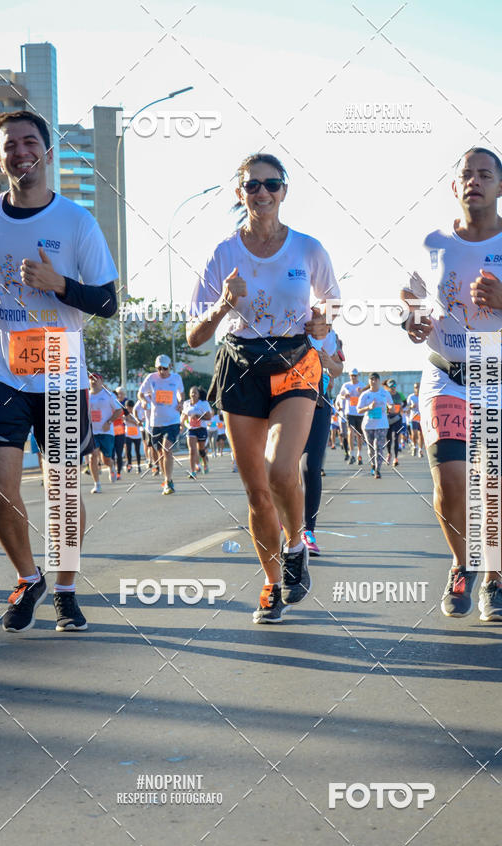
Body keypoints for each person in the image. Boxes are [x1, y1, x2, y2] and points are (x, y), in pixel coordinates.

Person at [401, 146, 502, 621]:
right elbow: (411, 296)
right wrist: (411, 319)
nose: (474, 181)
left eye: (485, 174)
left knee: (499, 492)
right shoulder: (433, 242)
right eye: (466, 174)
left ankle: (493, 580)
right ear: (455, 186)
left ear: (501, 187)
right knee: (451, 481)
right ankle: (461, 564)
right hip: (447, 377)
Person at [0, 110, 118, 632]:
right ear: (0, 156)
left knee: (62, 492)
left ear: (47, 151)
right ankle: (27, 576)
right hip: (1, 371)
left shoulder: (76, 221)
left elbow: (108, 302)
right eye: (10, 145)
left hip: (59, 371)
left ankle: (65, 590)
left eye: (29, 142)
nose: (21, 152)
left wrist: (60, 285)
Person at [187, 152, 338, 623]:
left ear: (284, 191)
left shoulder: (308, 249)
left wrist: (322, 321)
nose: (263, 192)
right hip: (240, 364)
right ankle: (272, 584)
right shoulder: (223, 253)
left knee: (281, 469)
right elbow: (194, 334)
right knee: (257, 491)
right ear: (241, 193)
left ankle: (296, 545)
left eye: (272, 184)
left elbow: (331, 304)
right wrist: (222, 305)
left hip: (295, 361)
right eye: (252, 185)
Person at [300, 330, 343, 555]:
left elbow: (338, 368)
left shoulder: (328, 333)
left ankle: (308, 530)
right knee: (281, 466)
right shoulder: (282, 321)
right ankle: (281, 514)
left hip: (318, 401)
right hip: (284, 399)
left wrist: (328, 362)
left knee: (310, 466)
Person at [138, 354, 184, 495]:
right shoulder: (151, 378)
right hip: (155, 422)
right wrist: (143, 401)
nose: (162, 371)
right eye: (159, 368)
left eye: (164, 368)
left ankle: (168, 481)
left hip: (172, 420)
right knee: (160, 454)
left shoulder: (176, 378)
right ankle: (167, 479)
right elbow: (141, 393)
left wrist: (181, 402)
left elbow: (181, 393)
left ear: (170, 367)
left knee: (166, 449)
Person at [88, 372, 120, 492]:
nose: (93, 381)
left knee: (106, 459)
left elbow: (118, 410)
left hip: (106, 432)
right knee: (93, 456)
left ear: (101, 382)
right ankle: (97, 484)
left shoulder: (108, 395)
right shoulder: (86, 396)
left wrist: (109, 422)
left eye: (96, 379)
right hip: (92, 432)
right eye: (91, 379)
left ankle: (111, 466)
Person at [357, 373, 393, 478]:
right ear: (369, 381)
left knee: (378, 447)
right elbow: (359, 410)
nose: (374, 381)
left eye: (376, 379)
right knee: (371, 449)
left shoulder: (385, 393)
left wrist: (390, 407)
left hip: (382, 424)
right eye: (371, 379)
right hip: (368, 425)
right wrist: (368, 407)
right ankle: (373, 464)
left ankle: (377, 469)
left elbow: (391, 405)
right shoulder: (365, 394)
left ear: (379, 381)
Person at [181, 386, 212, 477]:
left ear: (199, 395)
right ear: (189, 394)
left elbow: (209, 417)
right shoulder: (186, 403)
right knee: (192, 450)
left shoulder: (203, 403)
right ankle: (193, 471)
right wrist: (181, 424)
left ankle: (205, 463)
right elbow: (183, 415)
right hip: (191, 429)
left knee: (201, 450)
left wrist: (198, 416)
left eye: (195, 393)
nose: (193, 394)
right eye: (192, 392)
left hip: (201, 429)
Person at [339, 368, 365, 464]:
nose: (353, 377)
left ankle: (359, 454)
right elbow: (340, 396)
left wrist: (361, 393)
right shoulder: (346, 385)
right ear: (349, 376)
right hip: (349, 412)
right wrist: (344, 396)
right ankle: (352, 454)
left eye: (355, 375)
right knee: (350, 432)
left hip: (360, 413)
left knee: (359, 434)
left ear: (358, 376)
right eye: (352, 375)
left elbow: (366, 397)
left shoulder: (362, 385)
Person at [384, 378, 407, 467]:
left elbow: (405, 402)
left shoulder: (399, 394)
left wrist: (402, 407)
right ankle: (389, 454)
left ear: (396, 386)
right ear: (388, 387)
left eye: (394, 386)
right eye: (391, 387)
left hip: (397, 418)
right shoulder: (386, 394)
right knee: (388, 438)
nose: (393, 388)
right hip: (388, 418)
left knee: (396, 438)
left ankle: (396, 458)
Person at [112, 385, 129, 479]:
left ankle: (118, 472)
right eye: (118, 394)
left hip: (120, 432)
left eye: (121, 394)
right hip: (110, 433)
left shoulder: (122, 406)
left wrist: (124, 418)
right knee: (111, 454)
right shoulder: (109, 404)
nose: (119, 395)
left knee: (119, 453)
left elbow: (128, 415)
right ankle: (112, 470)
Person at [124, 399, 143, 472]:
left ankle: (138, 466)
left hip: (137, 435)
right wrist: (127, 418)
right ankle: (129, 466)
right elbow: (123, 420)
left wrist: (130, 420)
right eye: (127, 408)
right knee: (128, 451)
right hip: (128, 434)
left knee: (137, 451)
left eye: (130, 408)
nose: (128, 409)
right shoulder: (125, 414)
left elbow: (139, 423)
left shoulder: (136, 413)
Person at [407, 381, 424, 457]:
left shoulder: (423, 396)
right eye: (416, 387)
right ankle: (414, 446)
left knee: (421, 435)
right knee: (414, 434)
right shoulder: (411, 397)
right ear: (414, 388)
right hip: (413, 418)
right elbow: (406, 408)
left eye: (418, 387)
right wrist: (411, 406)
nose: (417, 389)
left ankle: (420, 449)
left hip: (422, 418)